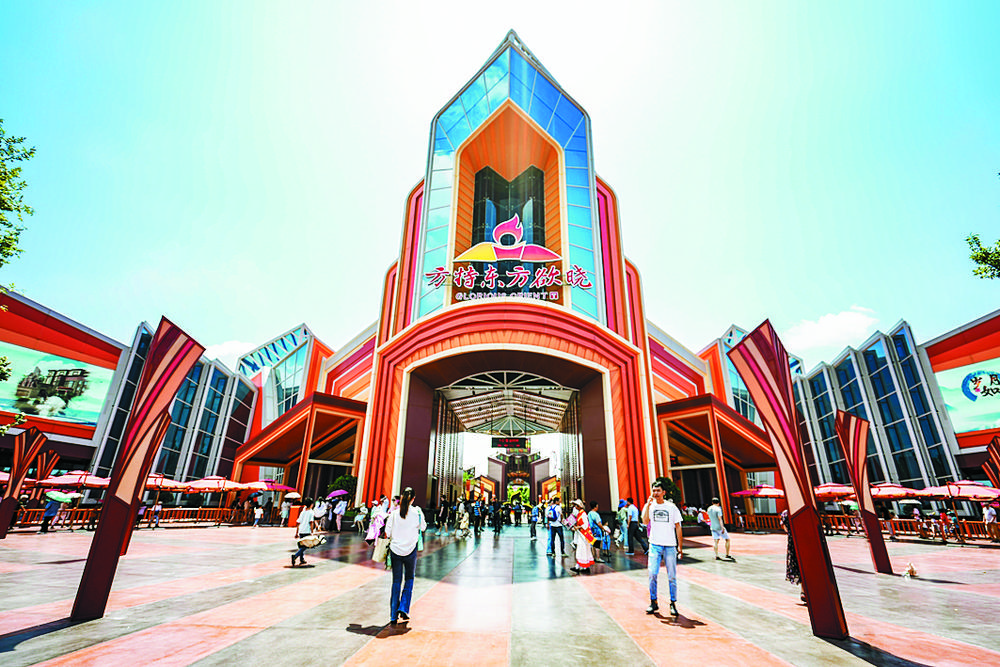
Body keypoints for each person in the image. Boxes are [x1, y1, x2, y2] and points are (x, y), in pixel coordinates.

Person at [385, 487, 426, 626]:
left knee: (396, 581)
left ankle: (393, 615)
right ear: (413, 499)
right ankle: (403, 607)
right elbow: (423, 527)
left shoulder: (394, 513)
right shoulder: (417, 512)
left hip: (395, 550)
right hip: (410, 550)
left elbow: (388, 532)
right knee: (409, 579)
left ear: (401, 497)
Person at [643, 482, 683, 616]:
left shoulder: (671, 507)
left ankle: (673, 603)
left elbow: (678, 526)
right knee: (652, 573)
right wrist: (647, 505)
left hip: (670, 545)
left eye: (658, 491)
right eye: (654, 491)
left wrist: (680, 546)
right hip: (654, 544)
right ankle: (653, 601)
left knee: (671, 576)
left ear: (663, 492)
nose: (655, 493)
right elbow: (645, 521)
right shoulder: (651, 506)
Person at [780, 508, 804, 602]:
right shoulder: (801, 510)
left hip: (792, 543)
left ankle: (803, 591)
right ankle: (805, 591)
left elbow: (785, 528)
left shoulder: (785, 513)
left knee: (798, 565)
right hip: (804, 540)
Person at [570, 499, 595, 574]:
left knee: (582, 550)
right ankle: (580, 566)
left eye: (576, 505)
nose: (575, 507)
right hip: (581, 535)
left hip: (583, 536)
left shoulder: (583, 514)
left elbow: (585, 525)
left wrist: (578, 527)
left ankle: (584, 566)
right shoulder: (580, 513)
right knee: (582, 550)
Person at [291, 497, 315, 566]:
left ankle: (302, 559)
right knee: (305, 546)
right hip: (307, 530)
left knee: (302, 545)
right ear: (311, 504)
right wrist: (312, 531)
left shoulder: (303, 512)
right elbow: (311, 522)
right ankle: (295, 556)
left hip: (301, 530)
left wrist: (296, 532)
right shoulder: (311, 512)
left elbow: (298, 522)